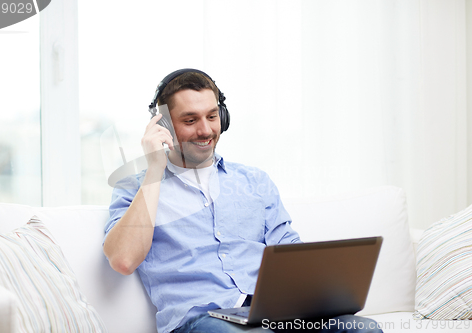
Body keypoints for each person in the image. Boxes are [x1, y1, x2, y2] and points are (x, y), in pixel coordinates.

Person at [103, 69, 383, 333]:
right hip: (202, 321)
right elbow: (124, 260)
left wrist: (319, 290)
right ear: (163, 125)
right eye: (190, 120)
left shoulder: (254, 181)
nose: (205, 131)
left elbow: (289, 251)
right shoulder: (136, 187)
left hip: (275, 313)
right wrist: (154, 169)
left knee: (360, 328)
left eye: (212, 116)